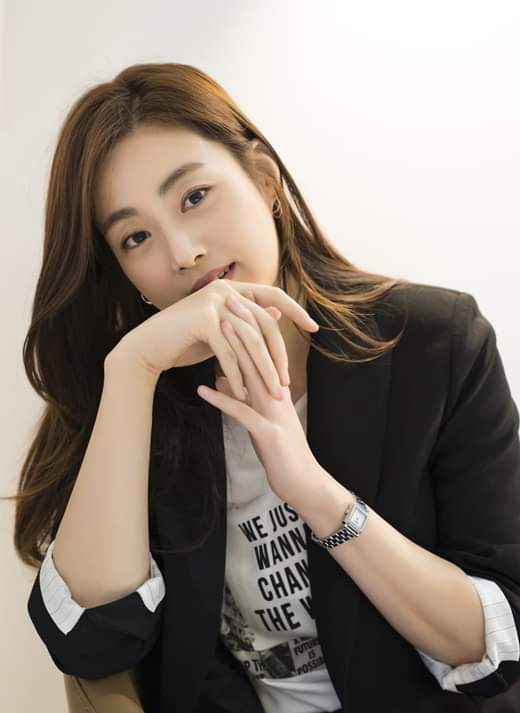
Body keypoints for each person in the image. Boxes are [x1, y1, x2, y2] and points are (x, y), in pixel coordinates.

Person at [6, 62, 520, 712]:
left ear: (264, 181)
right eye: (136, 237)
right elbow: (91, 646)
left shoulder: (435, 343)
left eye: (194, 196)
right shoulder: (140, 395)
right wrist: (130, 370)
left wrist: (314, 493)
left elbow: (492, 644)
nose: (182, 251)